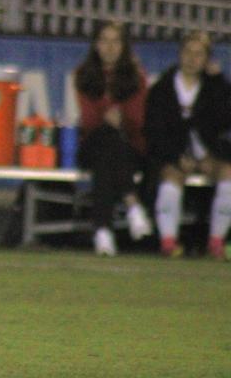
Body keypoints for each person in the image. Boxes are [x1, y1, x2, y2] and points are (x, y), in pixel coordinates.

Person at [145, 31, 231, 260]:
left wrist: (219, 79)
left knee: (229, 174)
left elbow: (226, 119)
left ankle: (216, 242)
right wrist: (175, 155)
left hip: (207, 155)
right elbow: (154, 132)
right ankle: (168, 242)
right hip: (173, 155)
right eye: (188, 52)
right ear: (179, 54)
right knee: (170, 176)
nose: (192, 59)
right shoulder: (162, 89)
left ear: (207, 59)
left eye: (199, 54)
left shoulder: (213, 87)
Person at [74, 21, 153, 256]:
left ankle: (102, 232)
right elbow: (89, 121)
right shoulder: (84, 75)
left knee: (107, 159)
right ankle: (132, 204)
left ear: (124, 46)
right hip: (93, 143)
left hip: (128, 147)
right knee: (106, 137)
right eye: (104, 41)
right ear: (96, 45)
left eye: (115, 41)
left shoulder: (136, 77)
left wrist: (119, 118)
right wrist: (109, 117)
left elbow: (137, 121)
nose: (109, 47)